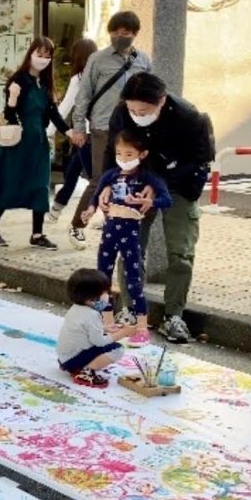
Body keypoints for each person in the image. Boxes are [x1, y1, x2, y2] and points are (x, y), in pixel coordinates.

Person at [106, 73, 213, 344]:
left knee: (181, 252)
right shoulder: (121, 114)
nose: (137, 115)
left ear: (162, 101)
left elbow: (197, 160)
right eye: (132, 109)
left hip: (179, 185)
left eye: (144, 111)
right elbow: (113, 153)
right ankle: (130, 310)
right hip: (134, 182)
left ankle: (173, 315)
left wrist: (158, 187)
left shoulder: (188, 117)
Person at [81, 127, 173, 347]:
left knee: (133, 280)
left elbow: (167, 199)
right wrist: (90, 209)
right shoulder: (111, 175)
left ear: (142, 154)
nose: (123, 159)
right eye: (119, 154)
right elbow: (96, 194)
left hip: (131, 231)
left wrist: (150, 202)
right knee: (103, 278)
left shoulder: (148, 177)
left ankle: (142, 327)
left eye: (129, 154)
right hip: (109, 229)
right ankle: (107, 322)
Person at [0, 36, 66, 249]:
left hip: (39, 143)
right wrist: (13, 99)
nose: (43, 59)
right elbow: (10, 115)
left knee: (40, 187)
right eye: (39, 54)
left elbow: (53, 114)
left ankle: (37, 233)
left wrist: (69, 131)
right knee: (10, 183)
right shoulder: (19, 79)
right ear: (30, 54)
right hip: (18, 142)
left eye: (47, 56)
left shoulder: (46, 83)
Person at [70, 12, 152, 249]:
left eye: (125, 33)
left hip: (133, 129)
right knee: (100, 179)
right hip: (102, 128)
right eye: (115, 33)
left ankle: (117, 223)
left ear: (135, 34)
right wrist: (78, 127)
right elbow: (83, 94)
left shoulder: (143, 60)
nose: (119, 37)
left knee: (129, 179)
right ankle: (78, 224)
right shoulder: (98, 59)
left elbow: (150, 93)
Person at [50, 38, 99, 230]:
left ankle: (89, 218)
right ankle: (56, 209)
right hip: (96, 133)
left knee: (95, 179)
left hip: (84, 135)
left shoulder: (79, 78)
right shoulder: (99, 75)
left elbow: (65, 106)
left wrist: (49, 131)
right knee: (73, 172)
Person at [57, 268, 136, 388]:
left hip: (64, 357)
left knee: (103, 344)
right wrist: (123, 333)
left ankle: (78, 366)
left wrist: (105, 328)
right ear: (92, 298)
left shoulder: (76, 308)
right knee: (117, 349)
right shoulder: (92, 315)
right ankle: (85, 372)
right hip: (72, 360)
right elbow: (99, 342)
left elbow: (83, 329)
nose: (108, 296)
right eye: (106, 293)